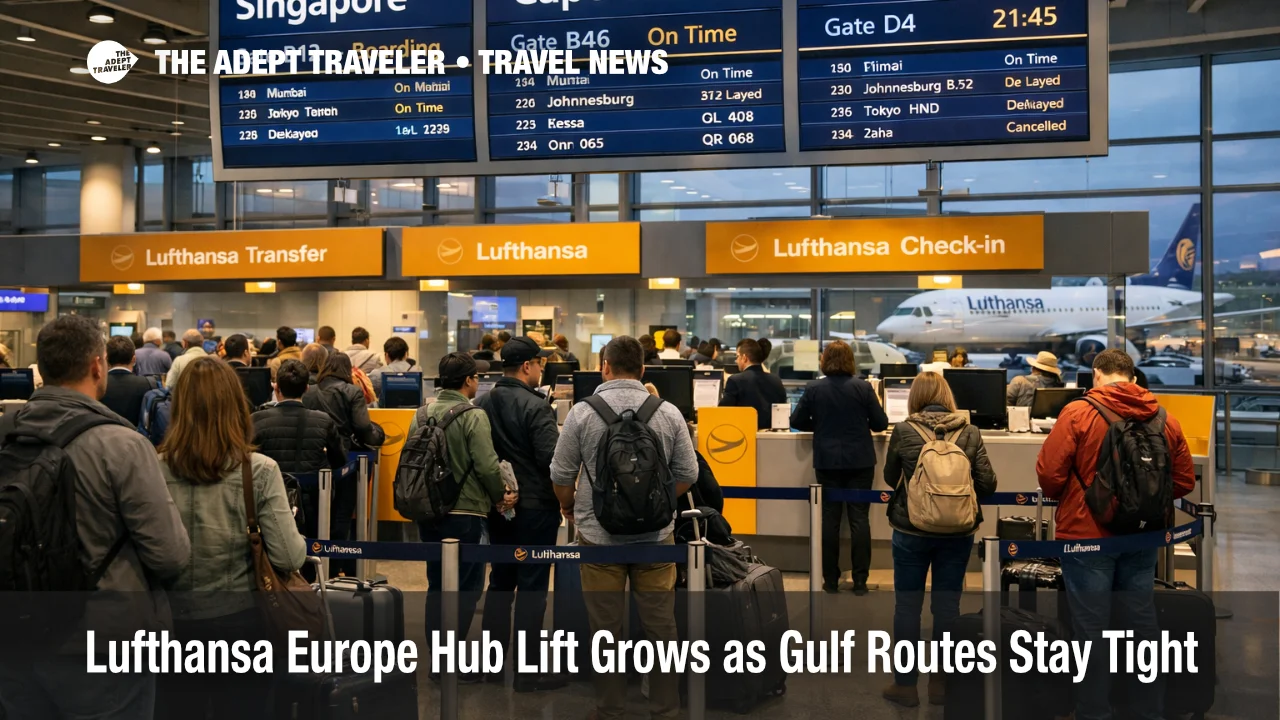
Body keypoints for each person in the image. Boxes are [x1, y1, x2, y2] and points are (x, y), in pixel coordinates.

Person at [0, 315, 189, 719]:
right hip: (105, 645)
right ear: (97, 366)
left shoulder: (6, 433)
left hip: (15, 634)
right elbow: (170, 553)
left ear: (41, 367)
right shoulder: (121, 444)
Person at [1035, 349, 1196, 720]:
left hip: (1087, 532)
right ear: (1133, 377)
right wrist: (1139, 504)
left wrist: (1090, 497)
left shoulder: (1078, 412)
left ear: (1096, 375)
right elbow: (1184, 480)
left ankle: (1094, 711)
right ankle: (1148, 710)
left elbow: (1049, 475)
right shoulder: (1164, 418)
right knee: (1142, 623)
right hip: (1142, 537)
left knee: (1091, 628)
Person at [551, 336, 698, 720]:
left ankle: (610, 709)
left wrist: (569, 505)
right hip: (656, 539)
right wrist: (661, 501)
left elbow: (561, 473)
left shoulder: (583, 413)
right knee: (662, 627)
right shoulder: (667, 413)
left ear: (604, 366)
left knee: (605, 628)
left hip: (599, 538)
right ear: (643, 369)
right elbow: (688, 472)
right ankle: (665, 709)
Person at [156, 356, 305, 719]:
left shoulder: (151, 467)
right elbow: (289, 558)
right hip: (242, 624)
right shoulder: (261, 471)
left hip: (170, 625)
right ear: (236, 406)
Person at [880, 371, 997, 708]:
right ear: (947, 396)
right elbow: (987, 484)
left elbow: (890, 477)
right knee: (947, 608)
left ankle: (905, 685)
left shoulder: (903, 430)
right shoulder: (970, 431)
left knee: (907, 607)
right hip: (957, 532)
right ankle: (941, 685)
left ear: (915, 397)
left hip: (910, 530)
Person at [474, 337, 566, 692]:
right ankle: (527, 673)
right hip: (535, 511)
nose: (541, 368)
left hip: (499, 509)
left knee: (499, 583)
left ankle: (492, 666)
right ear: (527, 366)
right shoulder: (536, 407)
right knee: (532, 588)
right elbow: (551, 460)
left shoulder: (481, 403)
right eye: (539, 363)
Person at [415, 352, 512, 667]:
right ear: (469, 380)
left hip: (429, 514)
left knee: (437, 585)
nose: (479, 381)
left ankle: (438, 659)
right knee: (467, 588)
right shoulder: (473, 415)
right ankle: (451, 660)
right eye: (477, 377)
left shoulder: (421, 414)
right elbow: (486, 466)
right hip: (467, 513)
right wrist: (501, 495)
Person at [790, 340, 888, 595]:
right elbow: (880, 424)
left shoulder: (814, 388)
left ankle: (830, 580)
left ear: (824, 360)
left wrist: (821, 428)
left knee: (829, 521)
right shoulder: (863, 388)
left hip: (827, 461)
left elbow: (796, 420)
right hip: (860, 461)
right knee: (859, 520)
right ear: (850, 361)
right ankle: (860, 582)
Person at [304, 352, 384, 576]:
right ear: (347, 370)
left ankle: (316, 567)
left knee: (318, 514)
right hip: (345, 460)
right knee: (342, 513)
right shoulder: (352, 391)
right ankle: (337, 565)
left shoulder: (310, 391)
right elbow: (362, 426)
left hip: (316, 460)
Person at [253, 359, 347, 544]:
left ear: (276, 387)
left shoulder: (257, 420)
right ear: (306, 388)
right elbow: (339, 460)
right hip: (312, 502)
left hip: (267, 501)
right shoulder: (323, 421)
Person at [722, 338, 788, 430]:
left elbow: (722, 412)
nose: (736, 361)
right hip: (771, 437)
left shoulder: (735, 380)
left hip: (743, 435)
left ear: (744, 358)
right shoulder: (776, 380)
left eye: (737, 356)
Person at [101, 335, 153, 426]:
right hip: (138, 437)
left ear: (107, 359)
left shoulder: (97, 385)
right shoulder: (148, 384)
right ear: (134, 359)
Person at [369, 336, 412, 405]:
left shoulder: (376, 375)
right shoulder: (417, 372)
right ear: (405, 354)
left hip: (383, 414)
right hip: (412, 414)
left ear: (386, 355)